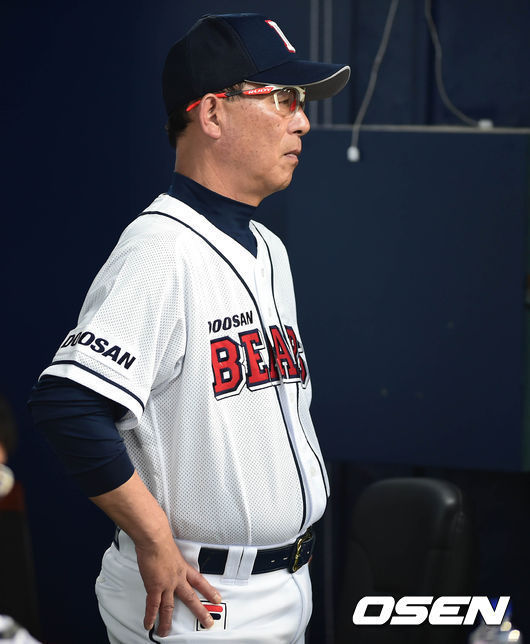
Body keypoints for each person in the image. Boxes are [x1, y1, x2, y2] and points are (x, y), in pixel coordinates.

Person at [29, 13, 350, 643]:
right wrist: (153, 538)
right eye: (283, 98)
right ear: (212, 114)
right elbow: (68, 404)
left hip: (285, 580)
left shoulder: (269, 247)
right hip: (200, 596)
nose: (303, 121)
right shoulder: (161, 248)